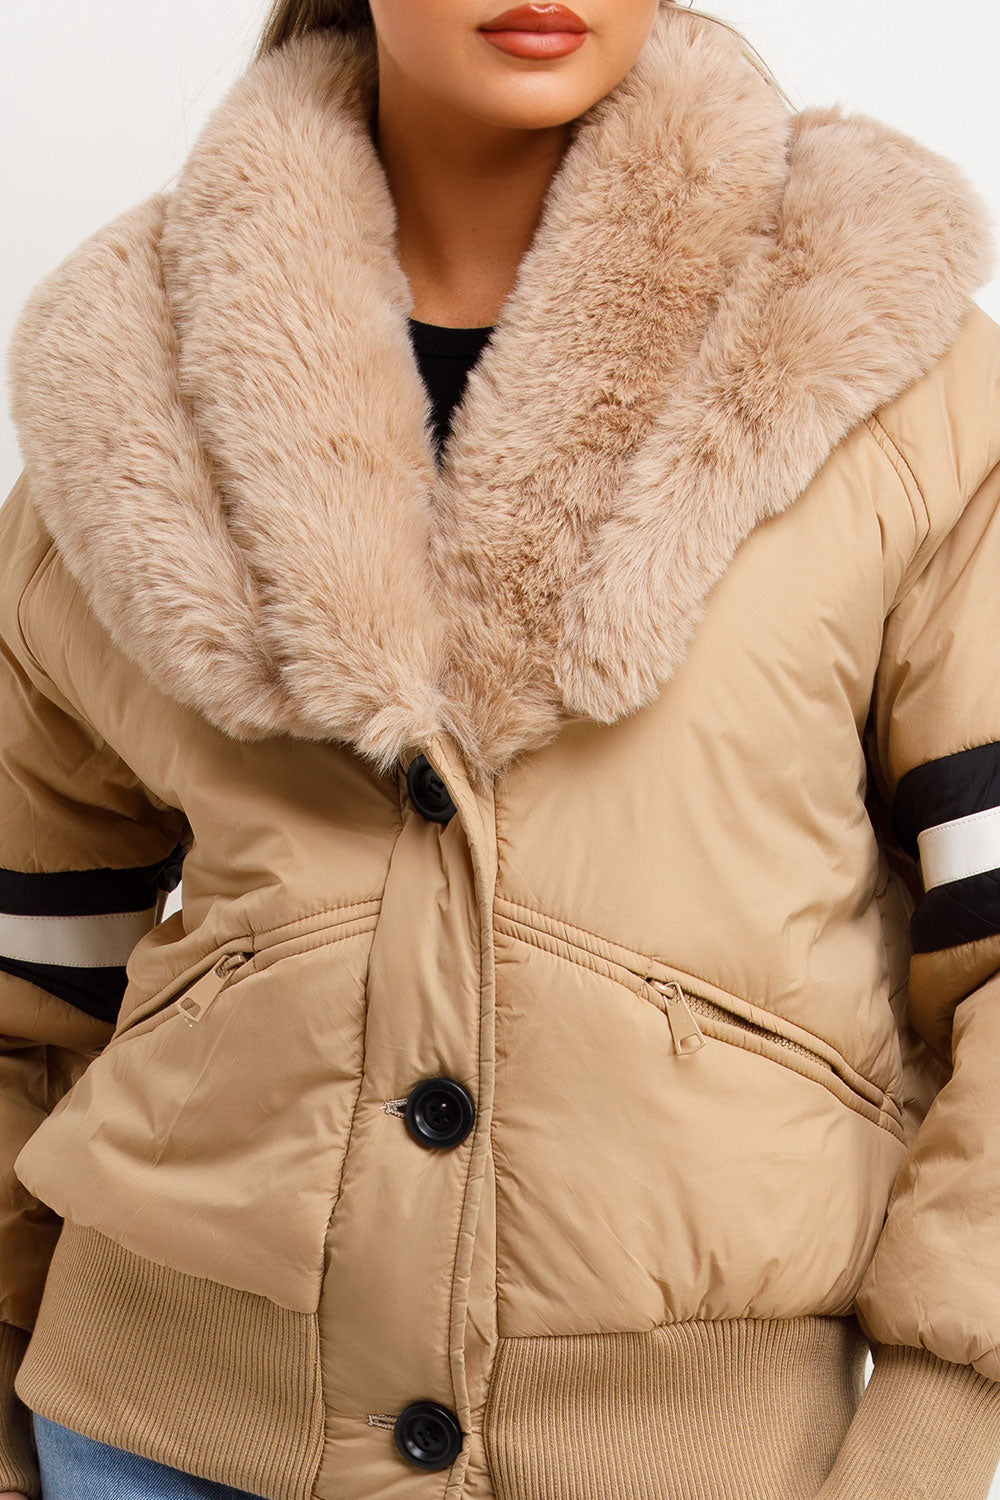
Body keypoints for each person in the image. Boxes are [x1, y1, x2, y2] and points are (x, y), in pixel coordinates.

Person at [2, 0, 1000, 1496]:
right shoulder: (138, 385)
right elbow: (26, 990)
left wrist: (931, 1438)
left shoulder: (876, 370)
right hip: (157, 1438)